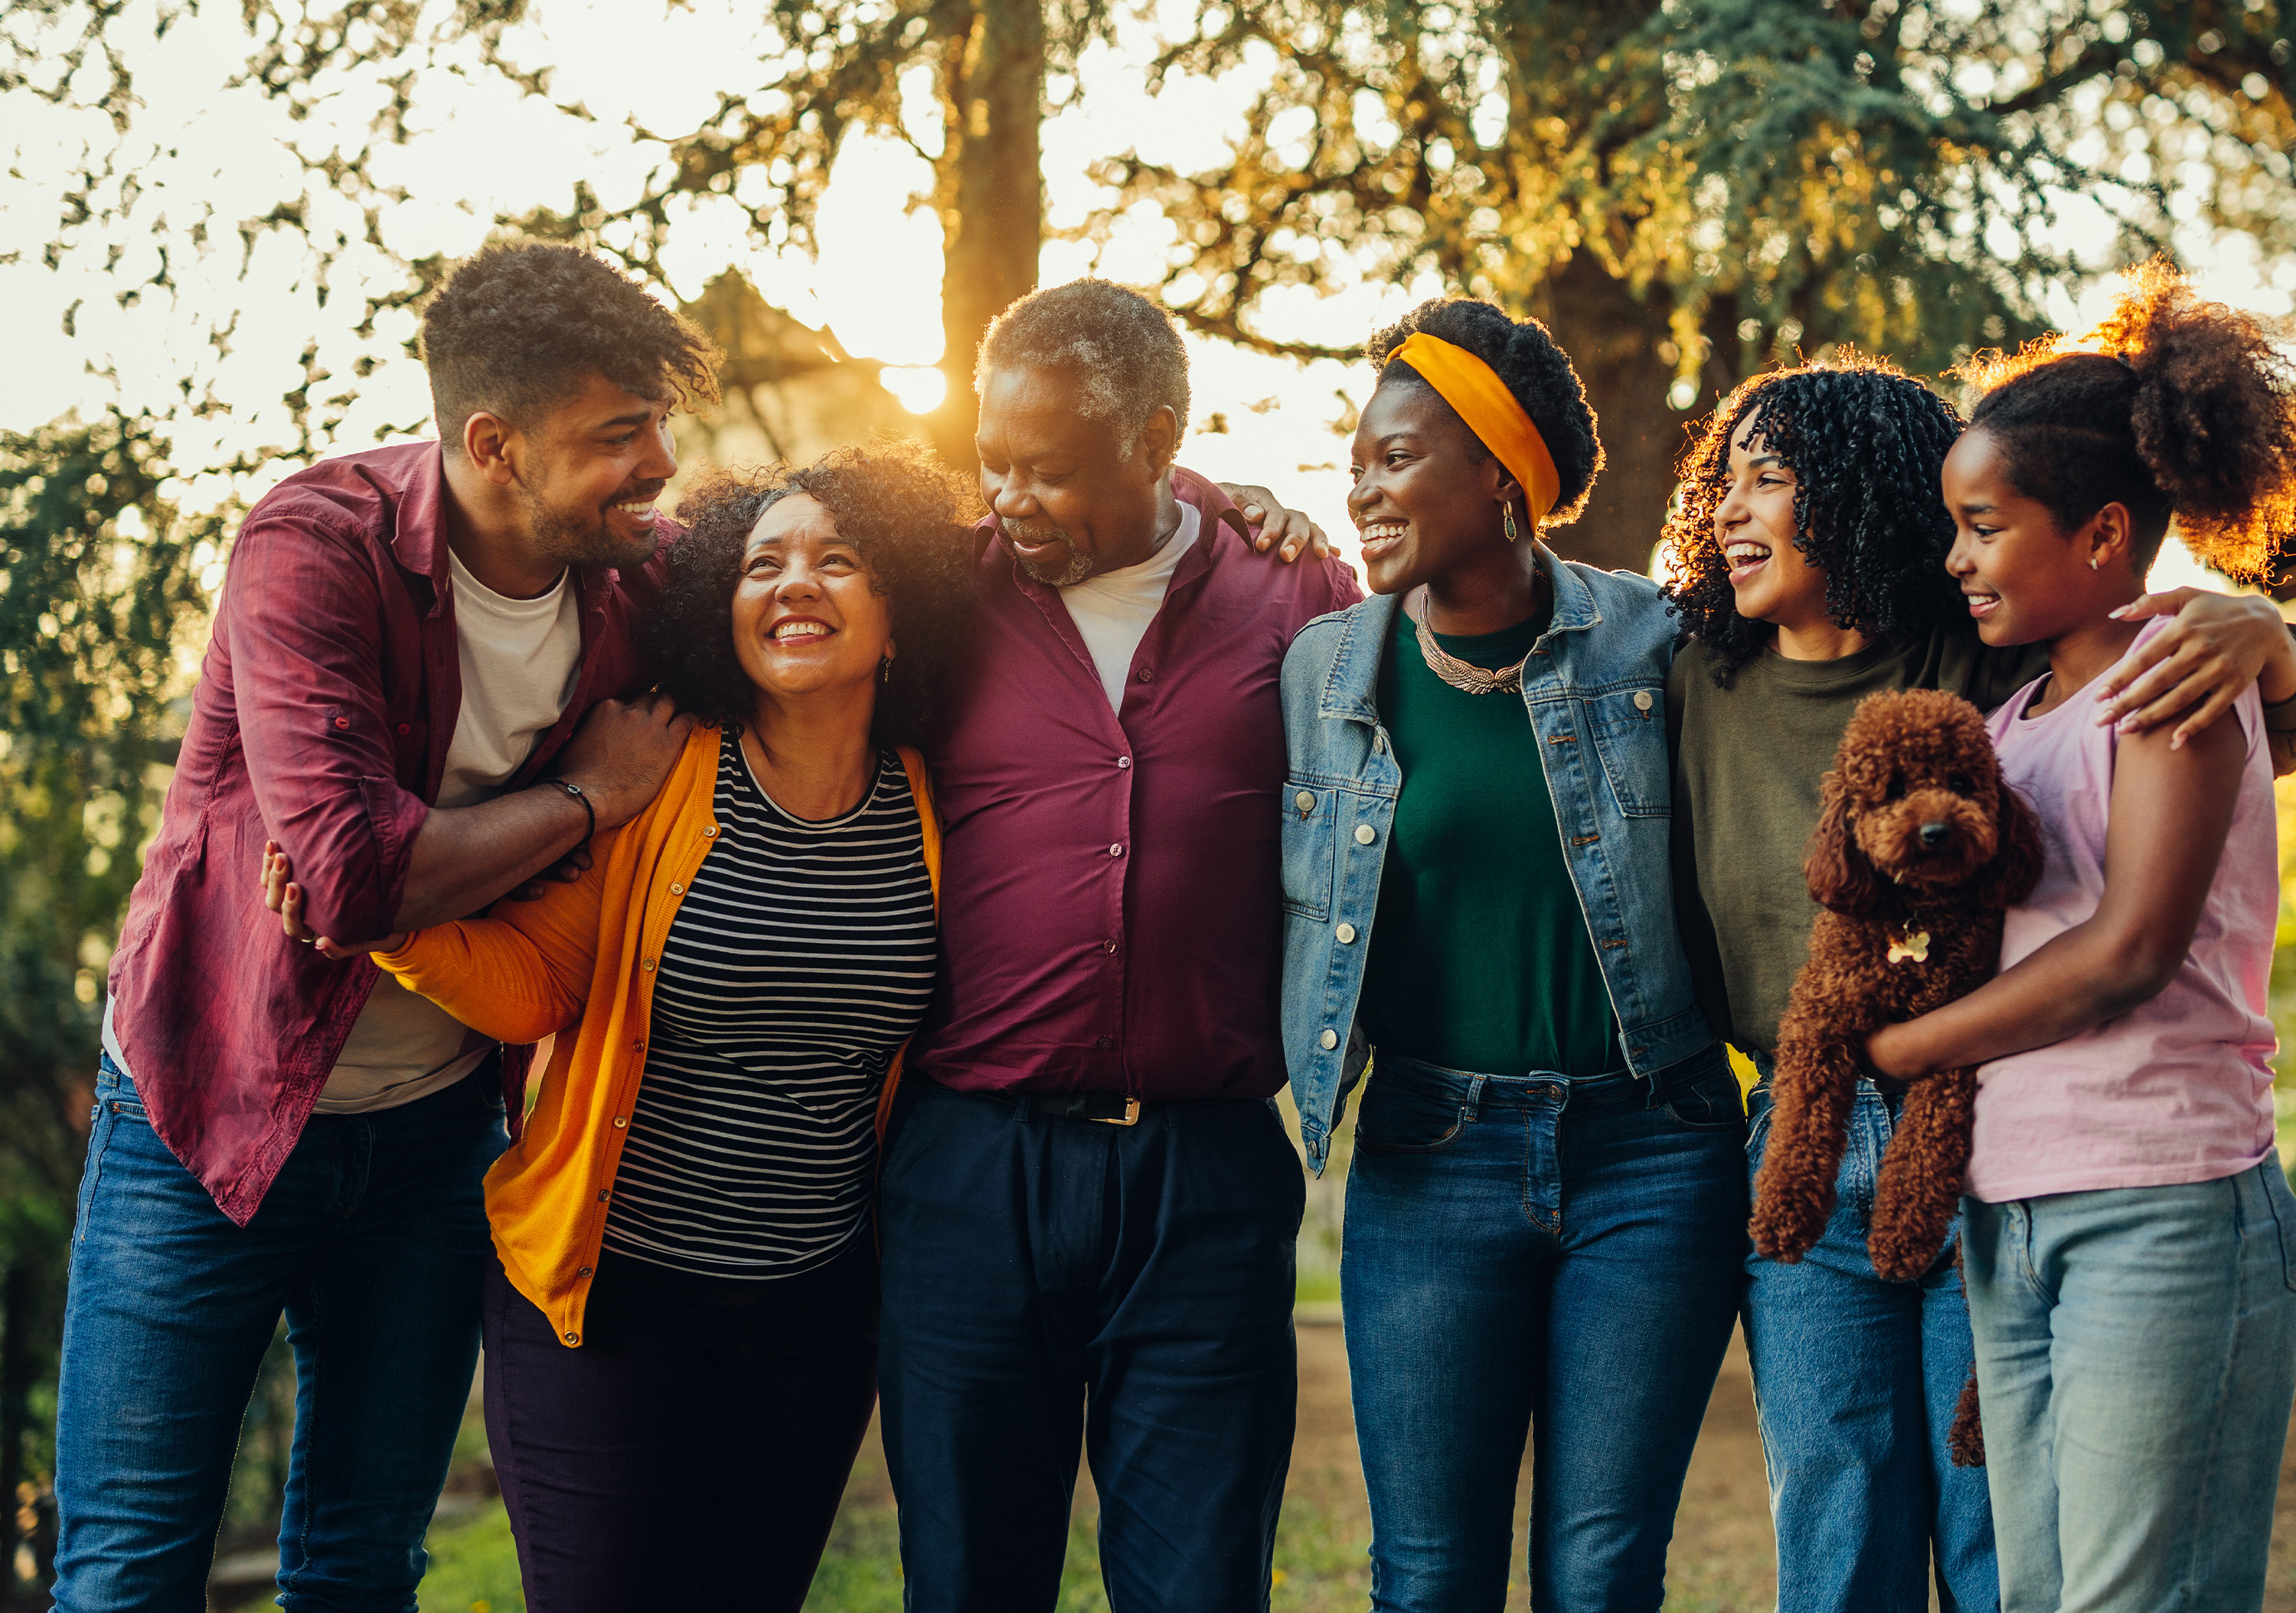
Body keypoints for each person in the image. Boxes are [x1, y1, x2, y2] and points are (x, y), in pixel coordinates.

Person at [52, 241, 715, 1613]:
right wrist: (592, 797)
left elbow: (871, 543)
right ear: (495, 443)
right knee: (128, 1575)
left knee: (361, 1570)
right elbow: (350, 883)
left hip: (432, 1139)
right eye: (618, 432)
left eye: (660, 421)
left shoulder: (635, 581)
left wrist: (1194, 493)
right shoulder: (315, 546)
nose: (659, 461)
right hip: (204, 1110)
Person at [1659, 350, 2296, 1613]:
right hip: (1946, 1170)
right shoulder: (1975, 710)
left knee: (2049, 1563)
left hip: (2078, 1158)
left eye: (1770, 478)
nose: (1730, 507)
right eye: (1724, 479)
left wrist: (2276, 639)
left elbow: (2137, 927)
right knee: (1892, 1530)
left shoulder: (2065, 673)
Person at [264, 443, 974, 1610]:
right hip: (610, 1302)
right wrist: (384, 924)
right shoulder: (665, 771)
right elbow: (540, 981)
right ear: (721, 612)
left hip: (817, 1314)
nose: (794, 583)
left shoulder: (934, 802)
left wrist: (1215, 500)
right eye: (762, 564)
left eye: (838, 559)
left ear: (900, 618)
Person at [875, 277, 1361, 1613]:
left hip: (1204, 1177)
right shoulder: (935, 593)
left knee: (1202, 1587)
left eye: (1051, 469)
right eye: (994, 461)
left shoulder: (1301, 590)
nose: (1010, 497)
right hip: (969, 1167)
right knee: (969, 1580)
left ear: (1154, 442)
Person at [1862, 264, 2296, 1611]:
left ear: (2103, 531)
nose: (1957, 559)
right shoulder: (2005, 732)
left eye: (1982, 526)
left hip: (2164, 1206)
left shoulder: (2179, 672)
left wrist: (1897, 1045)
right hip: (2010, 1212)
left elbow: (2130, 948)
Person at [1279, 295, 1749, 1610]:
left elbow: (1855, 661)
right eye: (1356, 457)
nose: (1361, 485)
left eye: (1397, 457)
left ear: (1498, 476)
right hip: (1434, 1155)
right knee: (1428, 1576)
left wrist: (2272, 652)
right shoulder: (1321, 667)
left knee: (1602, 1577)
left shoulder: (1659, 640)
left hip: (1656, 1149)